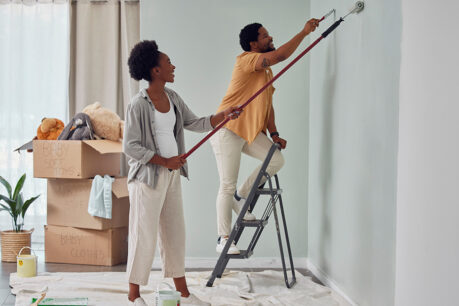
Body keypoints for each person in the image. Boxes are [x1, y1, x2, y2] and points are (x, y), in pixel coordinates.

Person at [124, 40, 240, 306]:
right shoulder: (138, 105)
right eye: (168, 63)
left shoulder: (173, 97)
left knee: (175, 233)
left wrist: (223, 115)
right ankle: (133, 296)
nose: (172, 66)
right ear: (155, 70)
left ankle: (184, 293)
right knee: (144, 237)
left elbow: (193, 122)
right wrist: (163, 161)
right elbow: (130, 146)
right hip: (147, 180)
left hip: (173, 175)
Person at [210, 19, 320, 254]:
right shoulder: (246, 60)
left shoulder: (265, 71)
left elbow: (268, 105)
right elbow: (280, 56)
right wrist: (304, 32)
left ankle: (241, 197)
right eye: (265, 36)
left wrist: (275, 134)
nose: (270, 38)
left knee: (276, 160)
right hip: (228, 130)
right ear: (253, 44)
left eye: (268, 34)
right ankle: (223, 239)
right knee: (226, 184)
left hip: (249, 132)